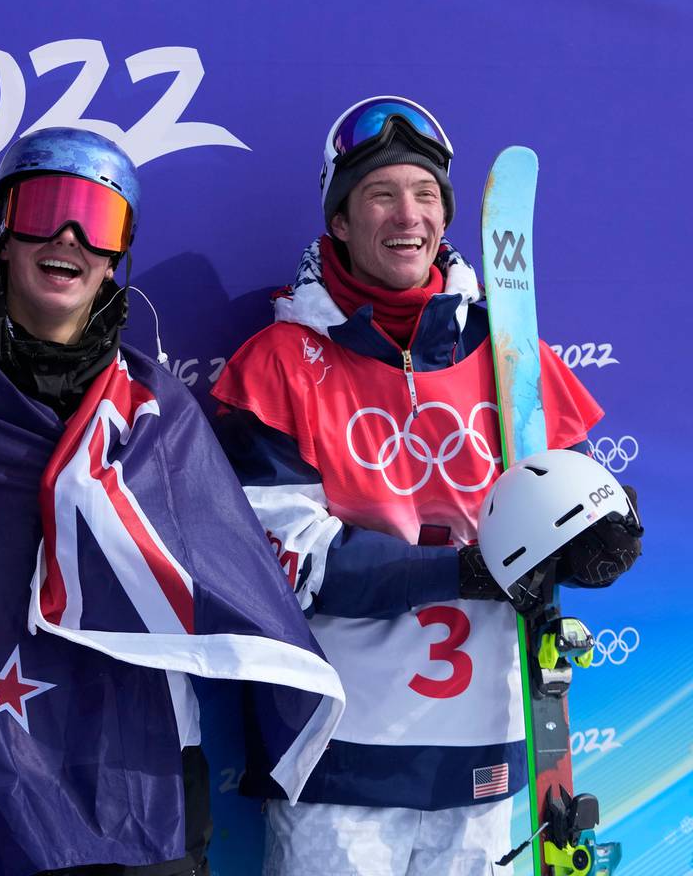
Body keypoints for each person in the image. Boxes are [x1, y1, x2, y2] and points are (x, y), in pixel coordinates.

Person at [0, 128, 345, 876]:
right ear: (3, 224)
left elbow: (228, 581)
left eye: (98, 221)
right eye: (46, 209)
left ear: (120, 252)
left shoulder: (157, 410)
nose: (69, 239)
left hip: (145, 780)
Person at [210, 96, 641, 875]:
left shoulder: (509, 350)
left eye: (426, 194)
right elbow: (288, 565)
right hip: (339, 759)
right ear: (339, 220)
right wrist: (466, 571)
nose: (407, 214)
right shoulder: (277, 364)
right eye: (380, 195)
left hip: (488, 754)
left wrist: (603, 536)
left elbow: (574, 497)